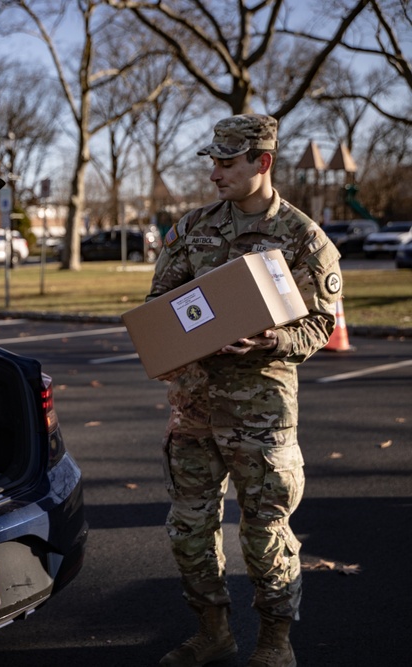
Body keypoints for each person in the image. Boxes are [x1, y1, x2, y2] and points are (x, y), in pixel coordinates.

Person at [148, 114, 342, 667]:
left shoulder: (304, 239)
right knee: (188, 531)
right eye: (212, 161)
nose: (215, 173)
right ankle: (213, 633)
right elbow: (161, 307)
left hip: (261, 415)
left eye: (227, 162)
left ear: (263, 162)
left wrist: (271, 340)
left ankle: (275, 644)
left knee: (266, 537)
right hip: (194, 410)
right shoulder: (190, 230)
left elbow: (321, 325)